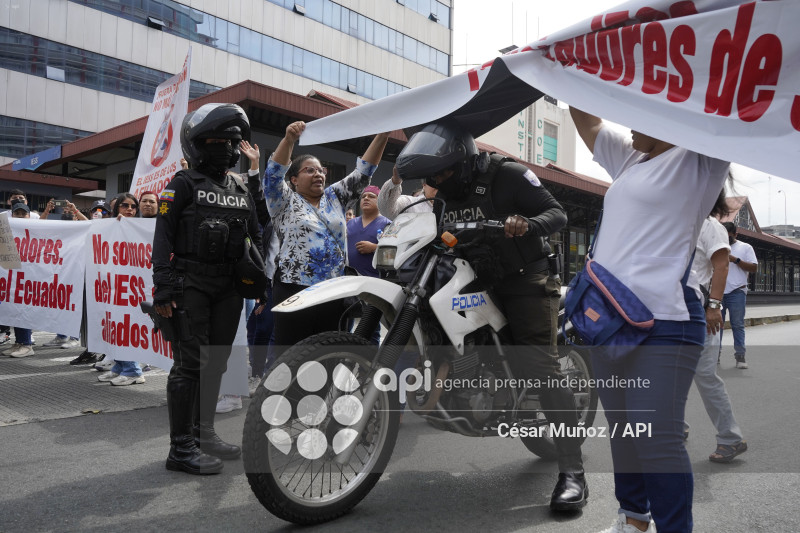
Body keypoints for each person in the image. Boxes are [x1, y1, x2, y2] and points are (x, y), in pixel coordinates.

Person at [395, 121, 584, 512]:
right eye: (433, 176)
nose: (439, 181)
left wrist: (528, 224)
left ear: (464, 160)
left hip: (525, 279)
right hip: (477, 277)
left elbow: (558, 213)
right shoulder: (444, 192)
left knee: (539, 366)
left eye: (444, 172)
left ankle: (573, 471)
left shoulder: (509, 175)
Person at [570, 107, 730, 533]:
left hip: (666, 322)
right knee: (625, 433)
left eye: (635, 113)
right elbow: (584, 117)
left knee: (656, 442)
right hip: (608, 321)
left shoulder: (700, 156)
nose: (626, 124)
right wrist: (561, 64)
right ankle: (634, 520)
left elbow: (723, 94)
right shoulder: (632, 157)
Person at [152, 102, 262, 475]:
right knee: (189, 365)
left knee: (216, 362)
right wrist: (163, 288)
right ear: (197, 144)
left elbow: (256, 236)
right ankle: (180, 447)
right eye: (217, 140)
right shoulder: (182, 184)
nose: (227, 147)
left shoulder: (239, 186)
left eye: (233, 141)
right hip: (190, 284)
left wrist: (262, 286)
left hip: (228, 287)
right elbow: (162, 237)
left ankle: (204, 433)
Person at [265, 121, 389, 351]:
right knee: (291, 355)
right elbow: (273, 174)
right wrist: (289, 139)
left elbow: (363, 172)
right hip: (294, 289)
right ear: (293, 179)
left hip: (332, 290)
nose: (318, 174)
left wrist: (383, 134)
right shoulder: (282, 200)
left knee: (327, 354)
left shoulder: (335, 197)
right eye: (309, 170)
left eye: (321, 170)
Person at [686, 195, 748, 464]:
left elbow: (720, 266)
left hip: (700, 312)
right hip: (670, 312)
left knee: (705, 376)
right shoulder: (671, 221)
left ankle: (731, 438)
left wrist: (713, 307)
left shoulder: (710, 226)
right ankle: (676, 428)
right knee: (669, 376)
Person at [96, 193, 146, 385]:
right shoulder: (109, 226)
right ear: (117, 208)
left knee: (125, 327)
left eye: (133, 206)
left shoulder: (142, 227)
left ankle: (133, 371)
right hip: (112, 286)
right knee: (113, 327)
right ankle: (119, 366)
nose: (130, 209)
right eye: (125, 206)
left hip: (132, 288)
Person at [720, 222, 757, 369]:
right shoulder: (717, 246)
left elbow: (754, 267)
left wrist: (735, 260)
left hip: (737, 291)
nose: (726, 240)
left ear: (735, 235)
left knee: (737, 325)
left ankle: (740, 357)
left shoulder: (745, 247)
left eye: (728, 237)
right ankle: (714, 355)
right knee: (716, 326)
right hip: (718, 292)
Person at [1, 203, 35, 357]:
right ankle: (19, 342)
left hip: (27, 278)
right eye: (17, 213)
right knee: (13, 310)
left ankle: (27, 345)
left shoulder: (36, 230)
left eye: (23, 213)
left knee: (23, 310)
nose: (20, 216)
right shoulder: (8, 231)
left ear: (29, 215)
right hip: (11, 278)